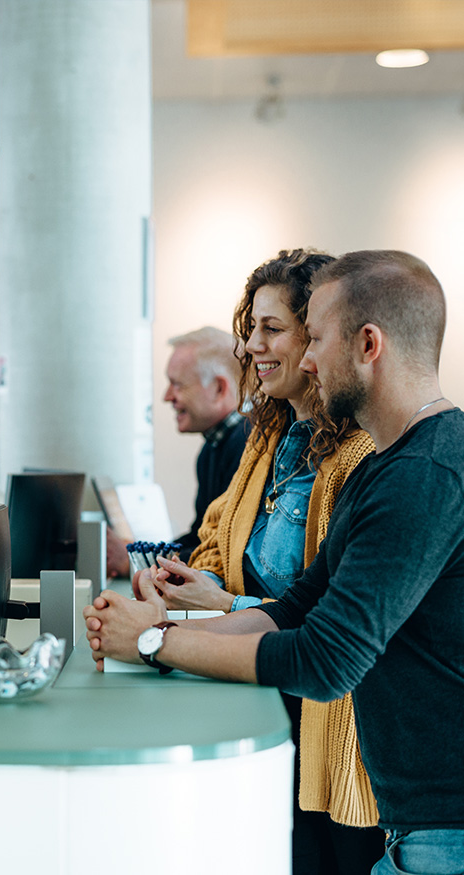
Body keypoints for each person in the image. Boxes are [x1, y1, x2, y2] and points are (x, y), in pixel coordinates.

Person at [85, 250, 464, 875]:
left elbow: (325, 657)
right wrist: (155, 633)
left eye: (314, 338)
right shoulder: (386, 469)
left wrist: (154, 642)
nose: (306, 359)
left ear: (368, 345)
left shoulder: (423, 476)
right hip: (417, 822)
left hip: (442, 830)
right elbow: (292, 610)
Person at [150, 250, 382, 874]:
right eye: (250, 328)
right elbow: (215, 536)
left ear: (319, 335)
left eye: (272, 328)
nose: (252, 345)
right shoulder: (268, 436)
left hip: (333, 735)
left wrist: (221, 606)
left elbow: (334, 623)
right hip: (264, 699)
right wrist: (188, 582)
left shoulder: (360, 458)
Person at [107, 326, 247, 576]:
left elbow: (221, 552)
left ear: (218, 388)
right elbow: (200, 538)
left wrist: (135, 561)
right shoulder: (212, 448)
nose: (166, 396)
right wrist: (139, 552)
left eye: (177, 385)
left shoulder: (248, 448)